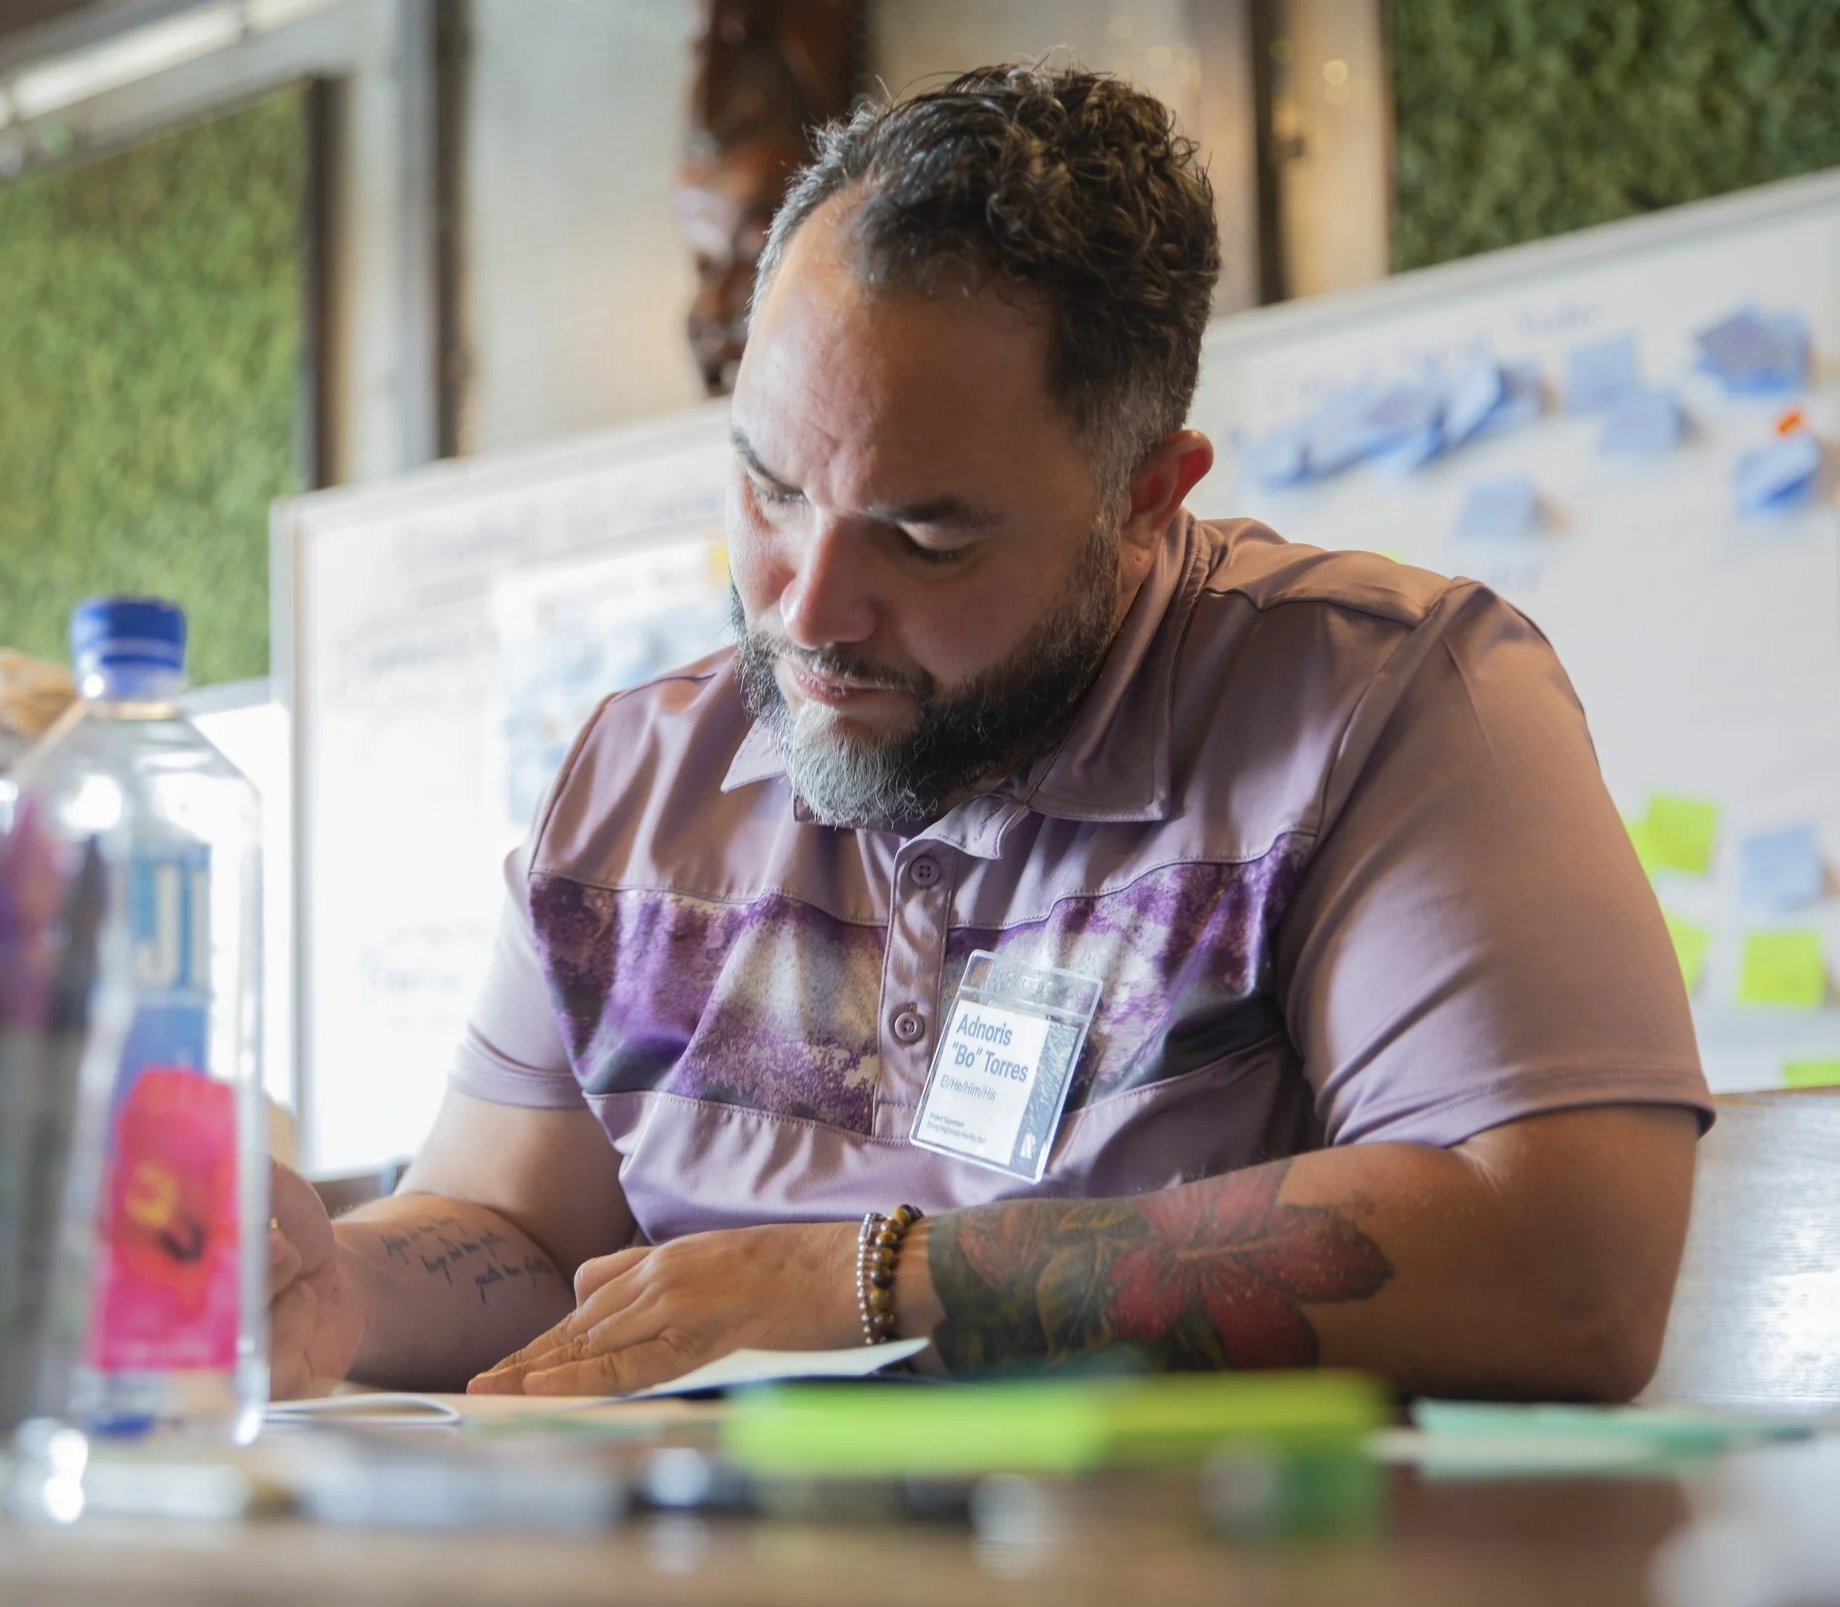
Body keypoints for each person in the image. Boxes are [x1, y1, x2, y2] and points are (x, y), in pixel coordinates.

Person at [267, 62, 1709, 1402]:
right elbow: (515, 1233)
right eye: (769, 491)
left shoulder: (1389, 700)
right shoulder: (643, 779)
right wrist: (332, 1288)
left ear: (1146, 496)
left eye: (925, 535)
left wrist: (878, 1279)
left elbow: (1570, 1264)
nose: (809, 613)